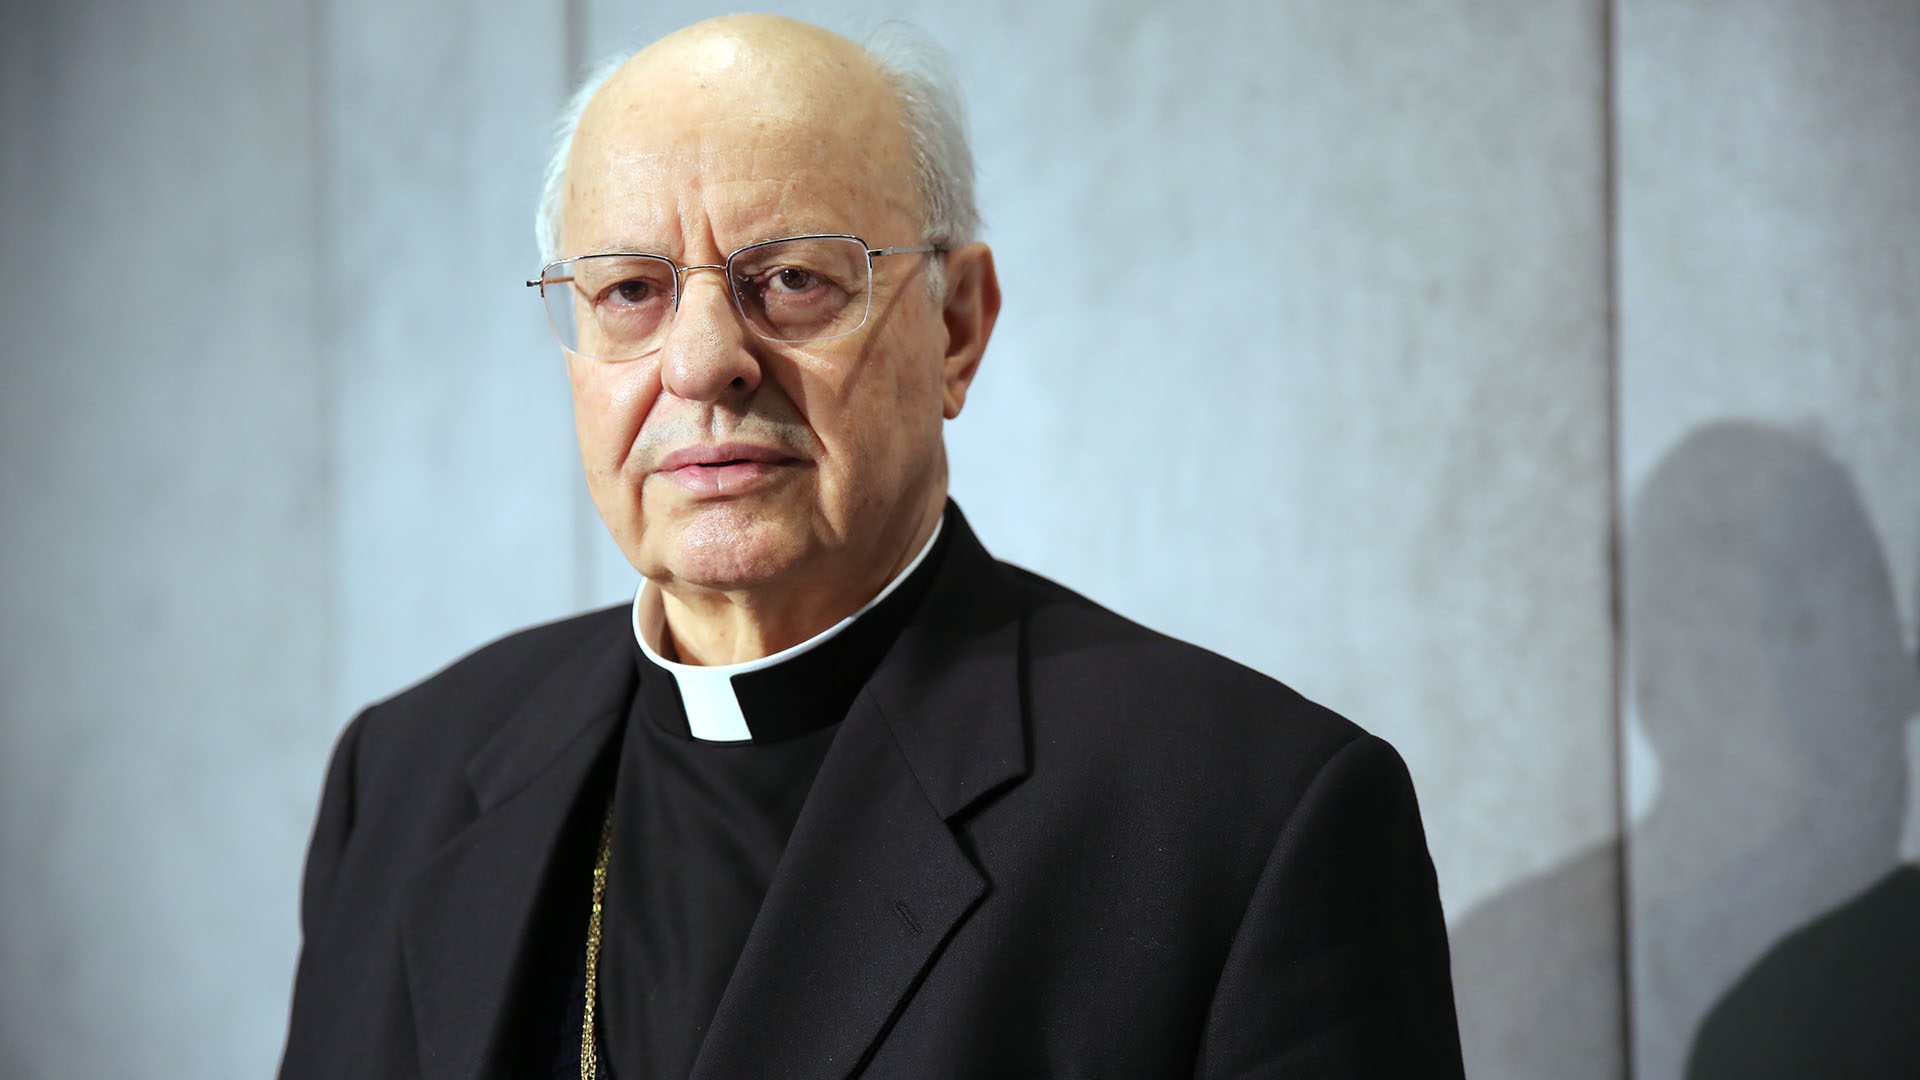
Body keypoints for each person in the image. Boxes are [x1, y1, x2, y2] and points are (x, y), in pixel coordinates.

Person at [277, 15, 1462, 1079]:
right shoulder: (404, 779)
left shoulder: (1244, 818)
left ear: (957, 325)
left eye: (791, 279)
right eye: (631, 290)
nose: (701, 363)